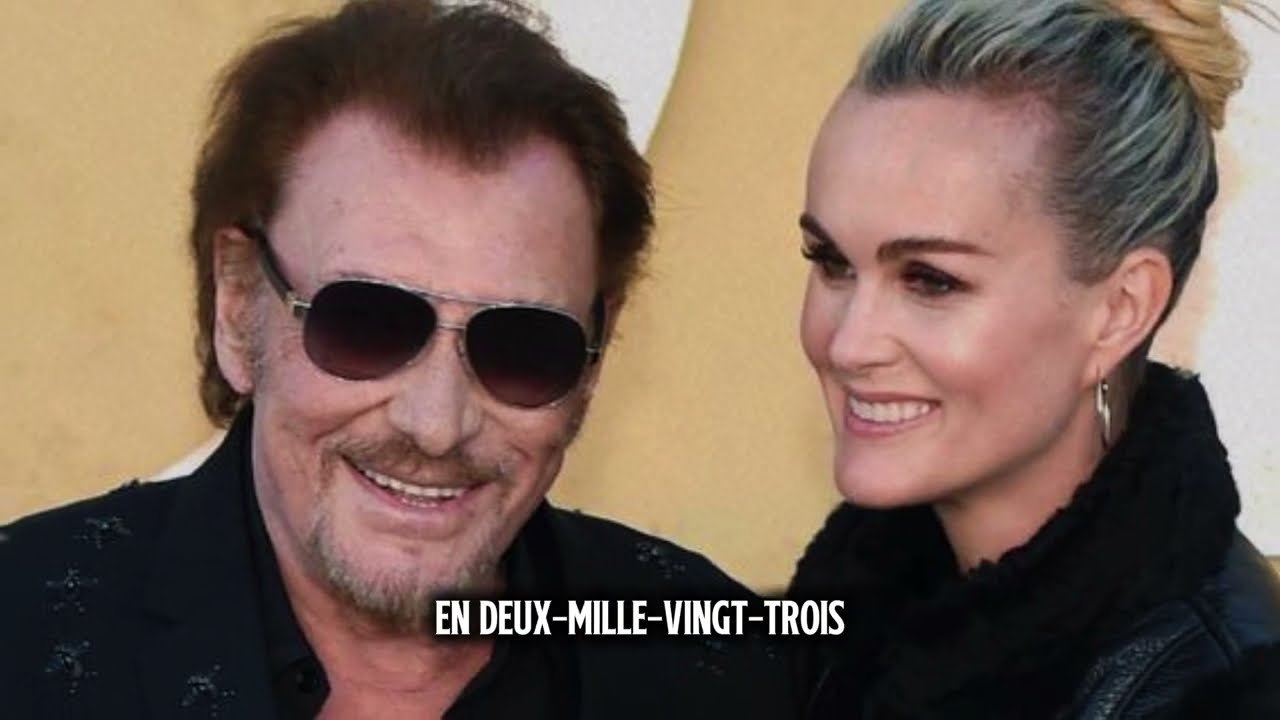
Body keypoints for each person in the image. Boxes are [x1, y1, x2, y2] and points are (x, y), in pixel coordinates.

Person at [0, 2, 791, 718]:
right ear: (238, 307)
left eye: (521, 345)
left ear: (594, 353)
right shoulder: (21, 638)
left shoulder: (724, 670)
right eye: (367, 324)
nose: (436, 424)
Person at [787, 0, 1280, 717]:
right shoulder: (854, 607)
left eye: (931, 280)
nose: (848, 345)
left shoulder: (1214, 692)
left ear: (1120, 310)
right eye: (832, 262)